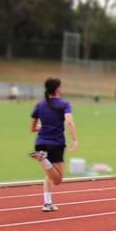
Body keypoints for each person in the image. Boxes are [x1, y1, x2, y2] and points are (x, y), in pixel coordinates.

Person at [28, 77, 78, 212]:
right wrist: (74, 139)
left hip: (40, 144)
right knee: (57, 179)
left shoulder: (40, 105)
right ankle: (44, 160)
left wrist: (45, 128)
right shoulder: (64, 104)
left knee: (50, 175)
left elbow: (32, 128)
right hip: (55, 144)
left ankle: (47, 203)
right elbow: (69, 122)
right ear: (58, 89)